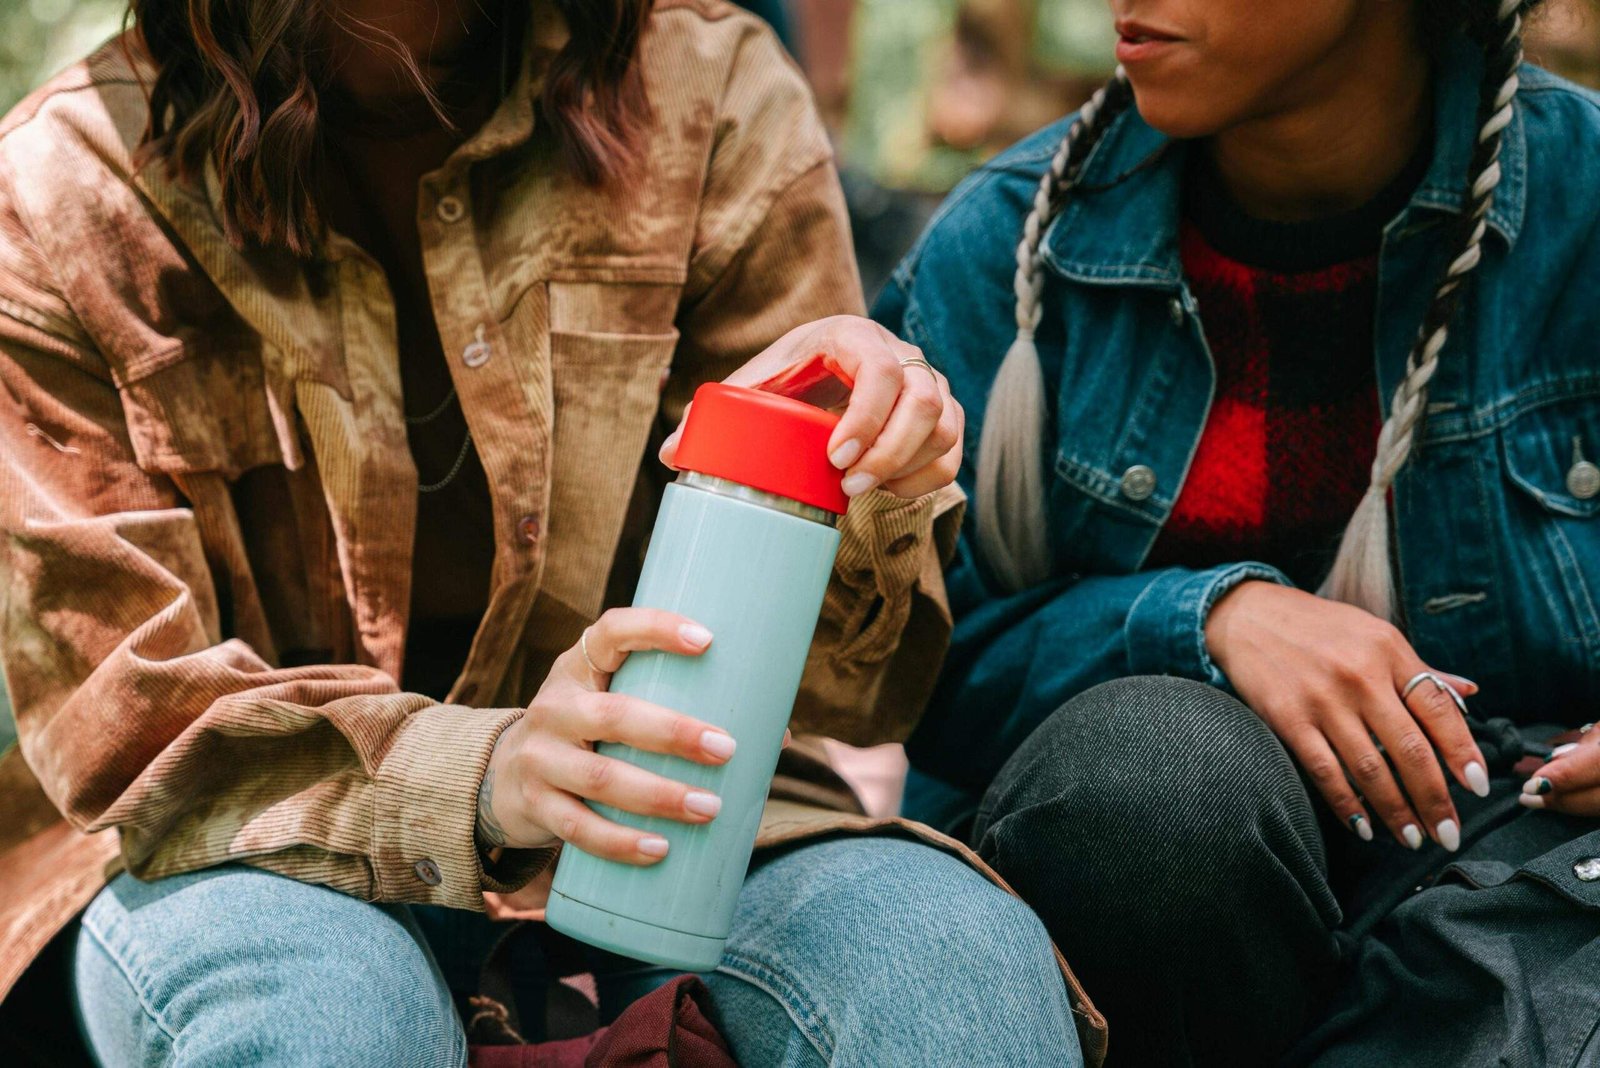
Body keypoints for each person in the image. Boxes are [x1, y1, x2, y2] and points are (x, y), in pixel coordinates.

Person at [0, 1, 1093, 1064]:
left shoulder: (706, 96)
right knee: (332, 1019)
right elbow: (127, 723)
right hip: (239, 844)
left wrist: (863, 488)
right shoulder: (63, 191)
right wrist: (482, 772)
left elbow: (843, 699)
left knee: (954, 963)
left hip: (685, 821)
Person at [876, 0, 1600, 1061]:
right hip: (1150, 929)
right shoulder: (1015, 242)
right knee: (1149, 786)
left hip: (1513, 889)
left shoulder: (1581, 210)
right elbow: (909, 671)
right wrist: (1199, 624)